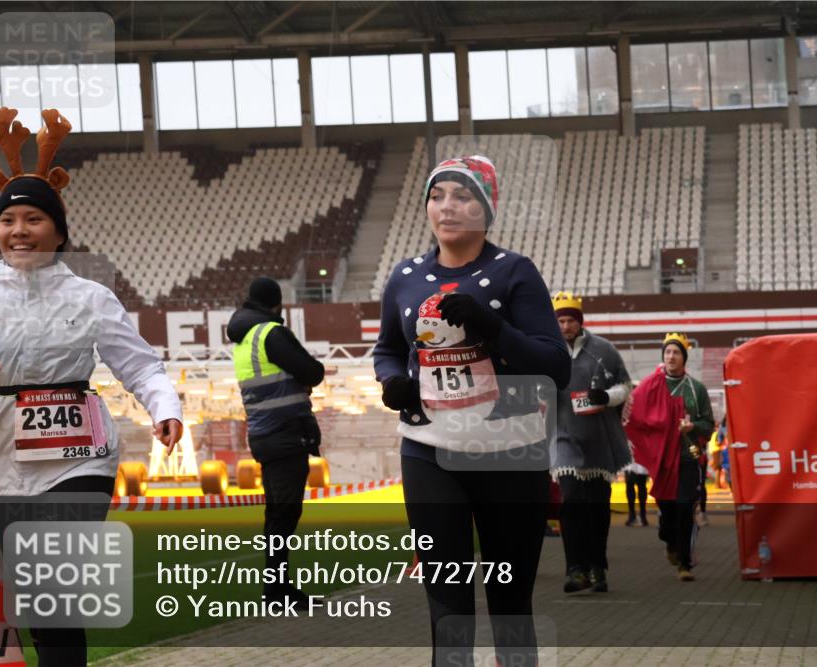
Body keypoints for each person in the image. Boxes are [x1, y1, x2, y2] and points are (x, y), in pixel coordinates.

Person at [0, 107, 183, 667]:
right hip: (5, 454)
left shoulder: (90, 297)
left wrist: (165, 407)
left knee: (54, 582)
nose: (19, 231)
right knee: (37, 602)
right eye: (9, 222)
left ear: (59, 230)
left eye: (34, 219)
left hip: (80, 455)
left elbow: (140, 365)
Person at [373, 155, 569, 666]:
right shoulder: (406, 277)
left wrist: (492, 327)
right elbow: (388, 348)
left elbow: (555, 364)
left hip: (509, 451)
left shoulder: (515, 273)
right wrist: (392, 381)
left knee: (510, 605)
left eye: (462, 196)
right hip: (429, 452)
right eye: (437, 197)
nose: (447, 208)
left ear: (486, 208)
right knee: (447, 608)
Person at [227, 276, 325, 605]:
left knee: (277, 516)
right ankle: (276, 591)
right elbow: (312, 371)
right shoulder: (270, 333)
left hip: (264, 434)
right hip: (285, 434)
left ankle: (277, 589)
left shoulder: (242, 339)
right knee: (283, 517)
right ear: (276, 303)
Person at [550, 291, 631, 593]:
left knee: (597, 506)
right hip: (563, 437)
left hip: (599, 438)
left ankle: (598, 567)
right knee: (571, 502)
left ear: (580, 321)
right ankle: (575, 569)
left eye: (570, 320)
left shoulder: (604, 350)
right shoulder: (548, 351)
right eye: (560, 320)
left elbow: (624, 385)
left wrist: (607, 397)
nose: (565, 326)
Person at [624, 333, 714, 582]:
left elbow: (709, 425)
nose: (671, 356)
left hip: (687, 457)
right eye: (667, 352)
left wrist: (692, 427)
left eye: (675, 352)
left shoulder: (697, 389)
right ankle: (669, 540)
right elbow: (633, 414)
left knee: (686, 508)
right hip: (662, 460)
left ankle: (685, 563)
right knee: (668, 515)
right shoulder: (652, 385)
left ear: (684, 357)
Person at [624, 462, 650, 527]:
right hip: (630, 462)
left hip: (641, 460)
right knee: (630, 487)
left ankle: (642, 515)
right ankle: (632, 515)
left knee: (641, 488)